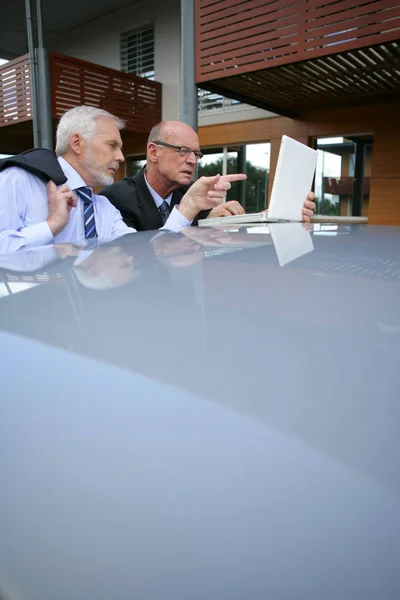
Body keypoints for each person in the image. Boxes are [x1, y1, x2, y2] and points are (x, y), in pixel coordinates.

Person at [0, 106, 242, 254]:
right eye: (112, 145)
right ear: (77, 143)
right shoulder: (18, 180)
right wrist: (52, 225)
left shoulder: (102, 208)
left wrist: (188, 207)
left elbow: (147, 250)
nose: (120, 156)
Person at [100, 120, 316, 230]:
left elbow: (226, 228)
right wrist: (193, 218)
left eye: (196, 153)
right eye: (183, 150)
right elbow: (138, 259)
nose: (193, 160)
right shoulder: (115, 199)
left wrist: (274, 216)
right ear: (153, 152)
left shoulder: (192, 193)